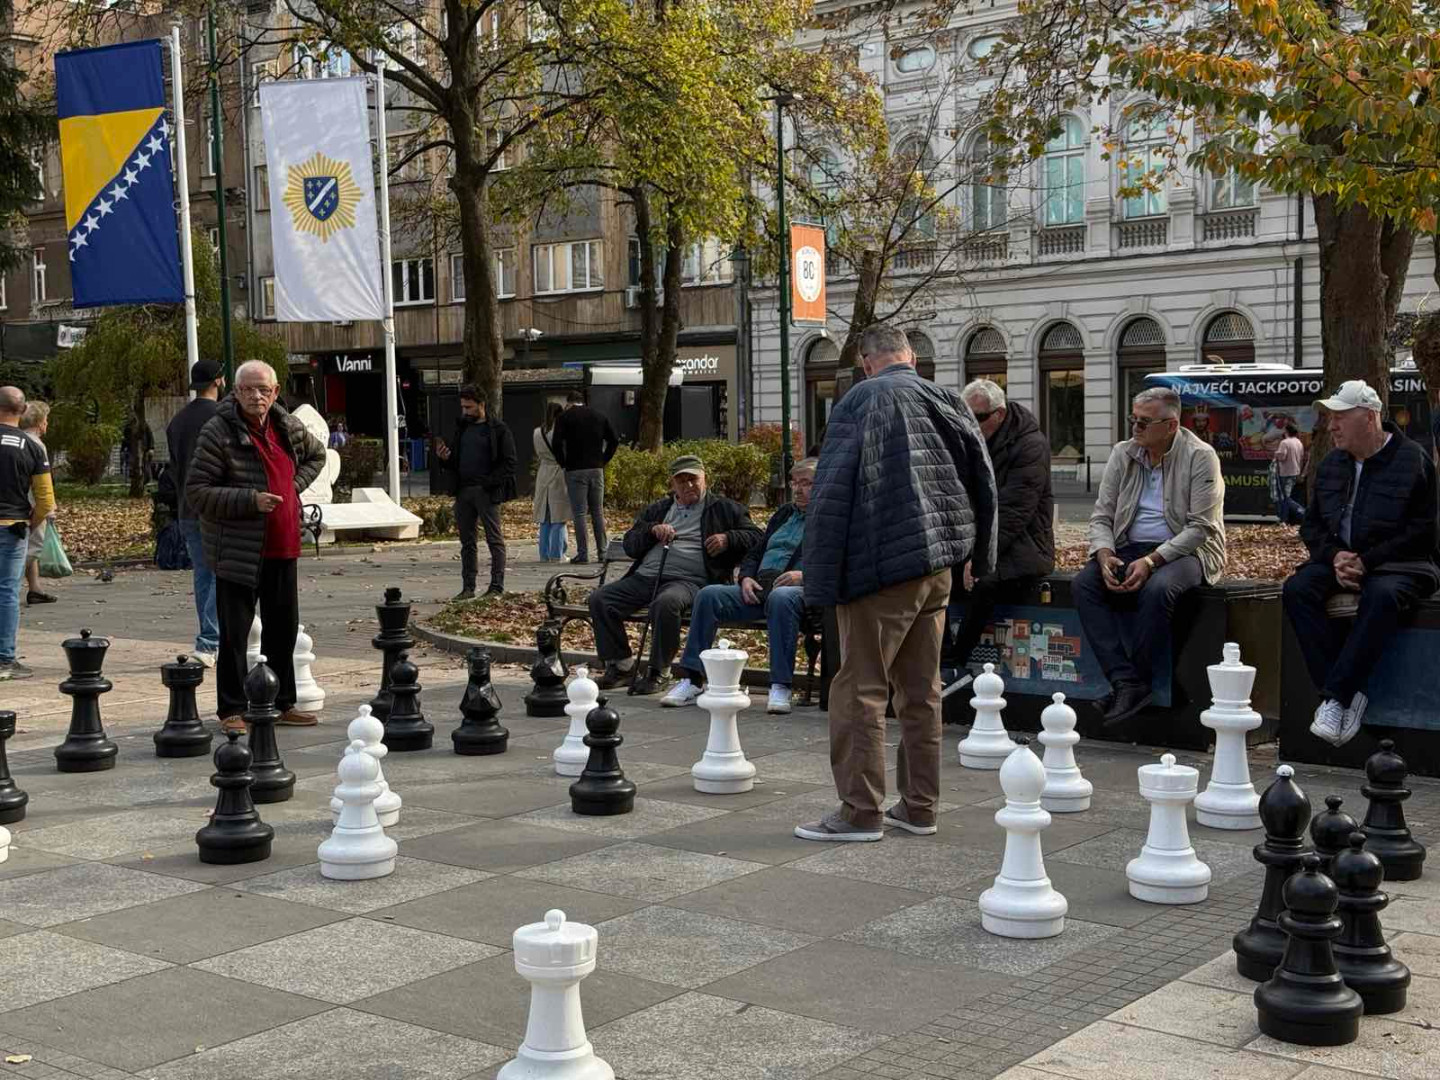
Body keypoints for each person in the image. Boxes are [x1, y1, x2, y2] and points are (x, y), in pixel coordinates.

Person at [795, 324, 997, 843]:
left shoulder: (861, 400)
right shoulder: (947, 398)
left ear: (867, 362)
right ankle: (920, 806)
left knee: (859, 690)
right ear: (909, 356)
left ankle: (861, 811)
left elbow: (832, 494)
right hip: (938, 567)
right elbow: (984, 479)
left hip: (879, 569)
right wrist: (979, 555)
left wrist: (820, 581)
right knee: (921, 691)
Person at [1282, 380, 1439, 748]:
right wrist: (1335, 556)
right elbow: (1313, 526)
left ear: (1369, 418)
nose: (1331, 426)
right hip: (1341, 559)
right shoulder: (1332, 462)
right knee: (1297, 589)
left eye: (1340, 417)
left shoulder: (1412, 459)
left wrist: (1366, 562)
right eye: (1329, 418)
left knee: (1381, 597)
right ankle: (1343, 697)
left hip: (1403, 564)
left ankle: (1335, 698)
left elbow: (1422, 533)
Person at [1074, 386, 1226, 728]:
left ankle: (1137, 680)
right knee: (1085, 584)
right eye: (1133, 420)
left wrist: (1153, 560)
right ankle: (1126, 681)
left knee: (1159, 590)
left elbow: (1200, 528)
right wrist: (1104, 552)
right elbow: (1101, 516)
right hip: (1130, 544)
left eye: (1144, 422)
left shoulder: (1201, 456)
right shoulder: (1123, 453)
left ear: (1171, 425)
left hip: (1187, 549)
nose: (1135, 428)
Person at [187, 360, 326, 733]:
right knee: (235, 633)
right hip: (238, 549)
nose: (256, 396)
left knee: (283, 629)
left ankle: (282, 703)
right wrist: (251, 500)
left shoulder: (286, 424)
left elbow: (317, 455)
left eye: (263, 389)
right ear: (235, 391)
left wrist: (291, 487)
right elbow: (198, 492)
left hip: (283, 544)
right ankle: (232, 709)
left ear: (276, 392)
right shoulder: (218, 430)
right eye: (248, 389)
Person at [588, 454, 761, 694]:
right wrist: (651, 531)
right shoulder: (659, 509)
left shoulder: (724, 509)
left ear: (705, 479)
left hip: (691, 580)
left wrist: (728, 538)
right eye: (682, 481)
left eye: (693, 479)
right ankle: (621, 666)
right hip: (647, 576)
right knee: (600, 599)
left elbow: (756, 538)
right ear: (673, 485)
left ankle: (660, 671)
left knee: (666, 603)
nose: (688, 485)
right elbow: (630, 544)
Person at [664, 457, 818, 715]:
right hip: (761, 586)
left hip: (800, 591)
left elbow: (839, 559)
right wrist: (745, 577)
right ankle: (691, 680)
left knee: (782, 598)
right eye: (795, 483)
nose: (798, 489)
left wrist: (803, 575)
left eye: (806, 483)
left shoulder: (827, 517)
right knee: (709, 595)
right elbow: (755, 552)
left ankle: (780, 685)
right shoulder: (784, 514)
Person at [946, 379, 1053, 673]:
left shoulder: (1031, 444)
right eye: (966, 416)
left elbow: (1014, 511)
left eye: (979, 418)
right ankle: (939, 656)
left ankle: (956, 661)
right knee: (933, 574)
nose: (972, 424)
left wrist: (979, 556)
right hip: (982, 537)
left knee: (985, 581)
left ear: (1000, 414)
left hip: (1023, 542)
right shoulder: (969, 439)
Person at [165, 358, 226, 666]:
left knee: (203, 573)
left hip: (187, 506)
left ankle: (209, 637)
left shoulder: (178, 420)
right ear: (219, 381)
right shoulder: (223, 417)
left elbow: (174, 467)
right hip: (217, 505)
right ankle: (212, 640)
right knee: (221, 571)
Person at [435, 384, 516, 598]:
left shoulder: (498, 429)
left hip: (486, 492)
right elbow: (455, 460)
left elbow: (509, 463)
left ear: (481, 405)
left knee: (494, 539)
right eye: (463, 407)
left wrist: (489, 484)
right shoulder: (461, 428)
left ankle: (496, 586)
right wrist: (444, 458)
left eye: (469, 407)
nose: (465, 412)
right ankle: (468, 587)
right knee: (467, 542)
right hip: (463, 490)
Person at [0, 386, 55, 681]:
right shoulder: (32, 446)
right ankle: (5, 659)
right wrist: (31, 524)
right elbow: (46, 499)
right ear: (22, 412)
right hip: (13, 526)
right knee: (7, 592)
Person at [552, 389, 619, 564]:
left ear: (569, 402)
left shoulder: (564, 418)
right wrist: (603, 460)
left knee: (579, 513)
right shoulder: (599, 416)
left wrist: (563, 463)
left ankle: (583, 554)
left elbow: (556, 443)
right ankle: (603, 552)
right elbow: (614, 440)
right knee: (597, 511)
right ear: (583, 401)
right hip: (596, 469)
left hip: (574, 469)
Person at [18, 402, 58, 607]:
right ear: (40, 423)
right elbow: (42, 482)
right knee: (31, 548)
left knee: (27, 547)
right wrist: (47, 508)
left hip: (18, 502)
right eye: (46, 420)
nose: (47, 424)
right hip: (32, 505)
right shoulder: (36, 445)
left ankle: (34, 588)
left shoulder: (17, 440)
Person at [533, 401, 571, 562]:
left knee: (545, 516)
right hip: (558, 473)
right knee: (559, 516)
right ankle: (557, 554)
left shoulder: (537, 432)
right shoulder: (561, 432)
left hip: (543, 473)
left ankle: (544, 554)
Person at [1273, 422, 1306, 524]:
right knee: (1286, 497)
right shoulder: (1299, 442)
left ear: (1286, 431)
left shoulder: (1284, 443)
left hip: (1286, 473)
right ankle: (1284, 520)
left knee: (1285, 498)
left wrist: (1276, 454)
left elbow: (1282, 457)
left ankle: (1303, 512)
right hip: (1296, 472)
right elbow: (1301, 458)